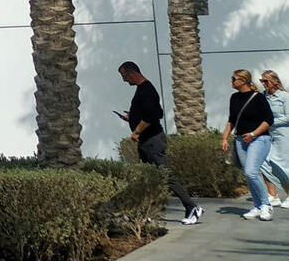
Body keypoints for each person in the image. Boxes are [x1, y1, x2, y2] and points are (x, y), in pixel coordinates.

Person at [117, 61, 202, 225]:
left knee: (165, 176)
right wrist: (132, 116)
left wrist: (137, 131)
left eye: (124, 76)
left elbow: (153, 116)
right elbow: (157, 112)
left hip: (152, 141)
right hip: (147, 142)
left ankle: (192, 207)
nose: (124, 80)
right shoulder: (143, 90)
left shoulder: (146, 90)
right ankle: (148, 213)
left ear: (132, 73)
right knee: (148, 178)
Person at [222, 69, 275, 220]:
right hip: (240, 140)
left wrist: (253, 134)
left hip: (259, 139)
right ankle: (258, 206)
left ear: (244, 81)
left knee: (252, 171)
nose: (232, 81)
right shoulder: (234, 97)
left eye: (234, 79)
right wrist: (224, 138)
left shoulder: (258, 98)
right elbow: (231, 120)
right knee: (248, 174)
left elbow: (269, 120)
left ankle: (266, 205)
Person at [258, 71, 289, 207]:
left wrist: (269, 122)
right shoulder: (262, 97)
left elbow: (288, 117)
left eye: (266, 81)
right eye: (262, 81)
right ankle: (273, 195)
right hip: (266, 134)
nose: (264, 84)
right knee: (263, 162)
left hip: (282, 134)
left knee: (281, 165)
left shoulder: (284, 97)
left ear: (275, 81)